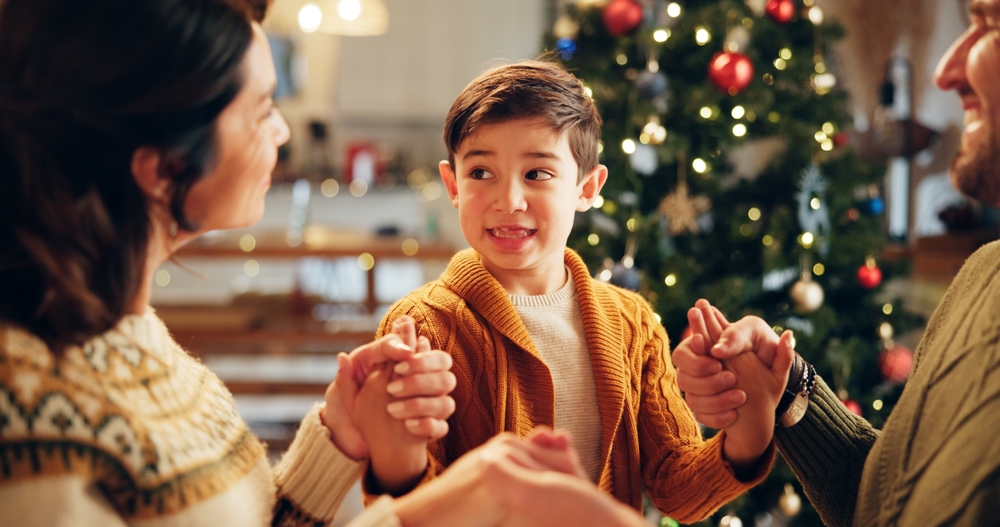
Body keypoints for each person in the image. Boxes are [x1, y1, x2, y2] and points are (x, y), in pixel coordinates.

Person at [0, 1, 648, 526]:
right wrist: (436, 511)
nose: (282, 132)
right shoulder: (28, 416)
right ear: (165, 167)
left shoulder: (139, 345)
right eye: (261, 111)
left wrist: (340, 429)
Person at [362, 60, 776, 522]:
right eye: (482, 173)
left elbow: (677, 489)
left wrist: (749, 432)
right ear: (453, 185)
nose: (509, 200)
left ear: (587, 188)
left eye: (537, 174)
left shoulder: (633, 322)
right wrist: (394, 452)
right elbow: (406, 511)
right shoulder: (422, 325)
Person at [673, 2, 1000, 524]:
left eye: (990, 27)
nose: (945, 71)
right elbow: (881, 502)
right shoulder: (985, 273)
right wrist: (785, 391)